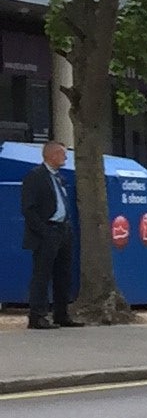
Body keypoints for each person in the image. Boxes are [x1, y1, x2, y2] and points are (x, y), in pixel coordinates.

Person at [20, 137, 75, 326]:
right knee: (42, 275)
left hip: (63, 230)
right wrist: (44, 231)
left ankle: (62, 314)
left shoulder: (59, 177)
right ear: (51, 155)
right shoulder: (35, 176)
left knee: (63, 274)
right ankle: (37, 316)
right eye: (62, 154)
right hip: (46, 232)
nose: (65, 158)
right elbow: (28, 209)